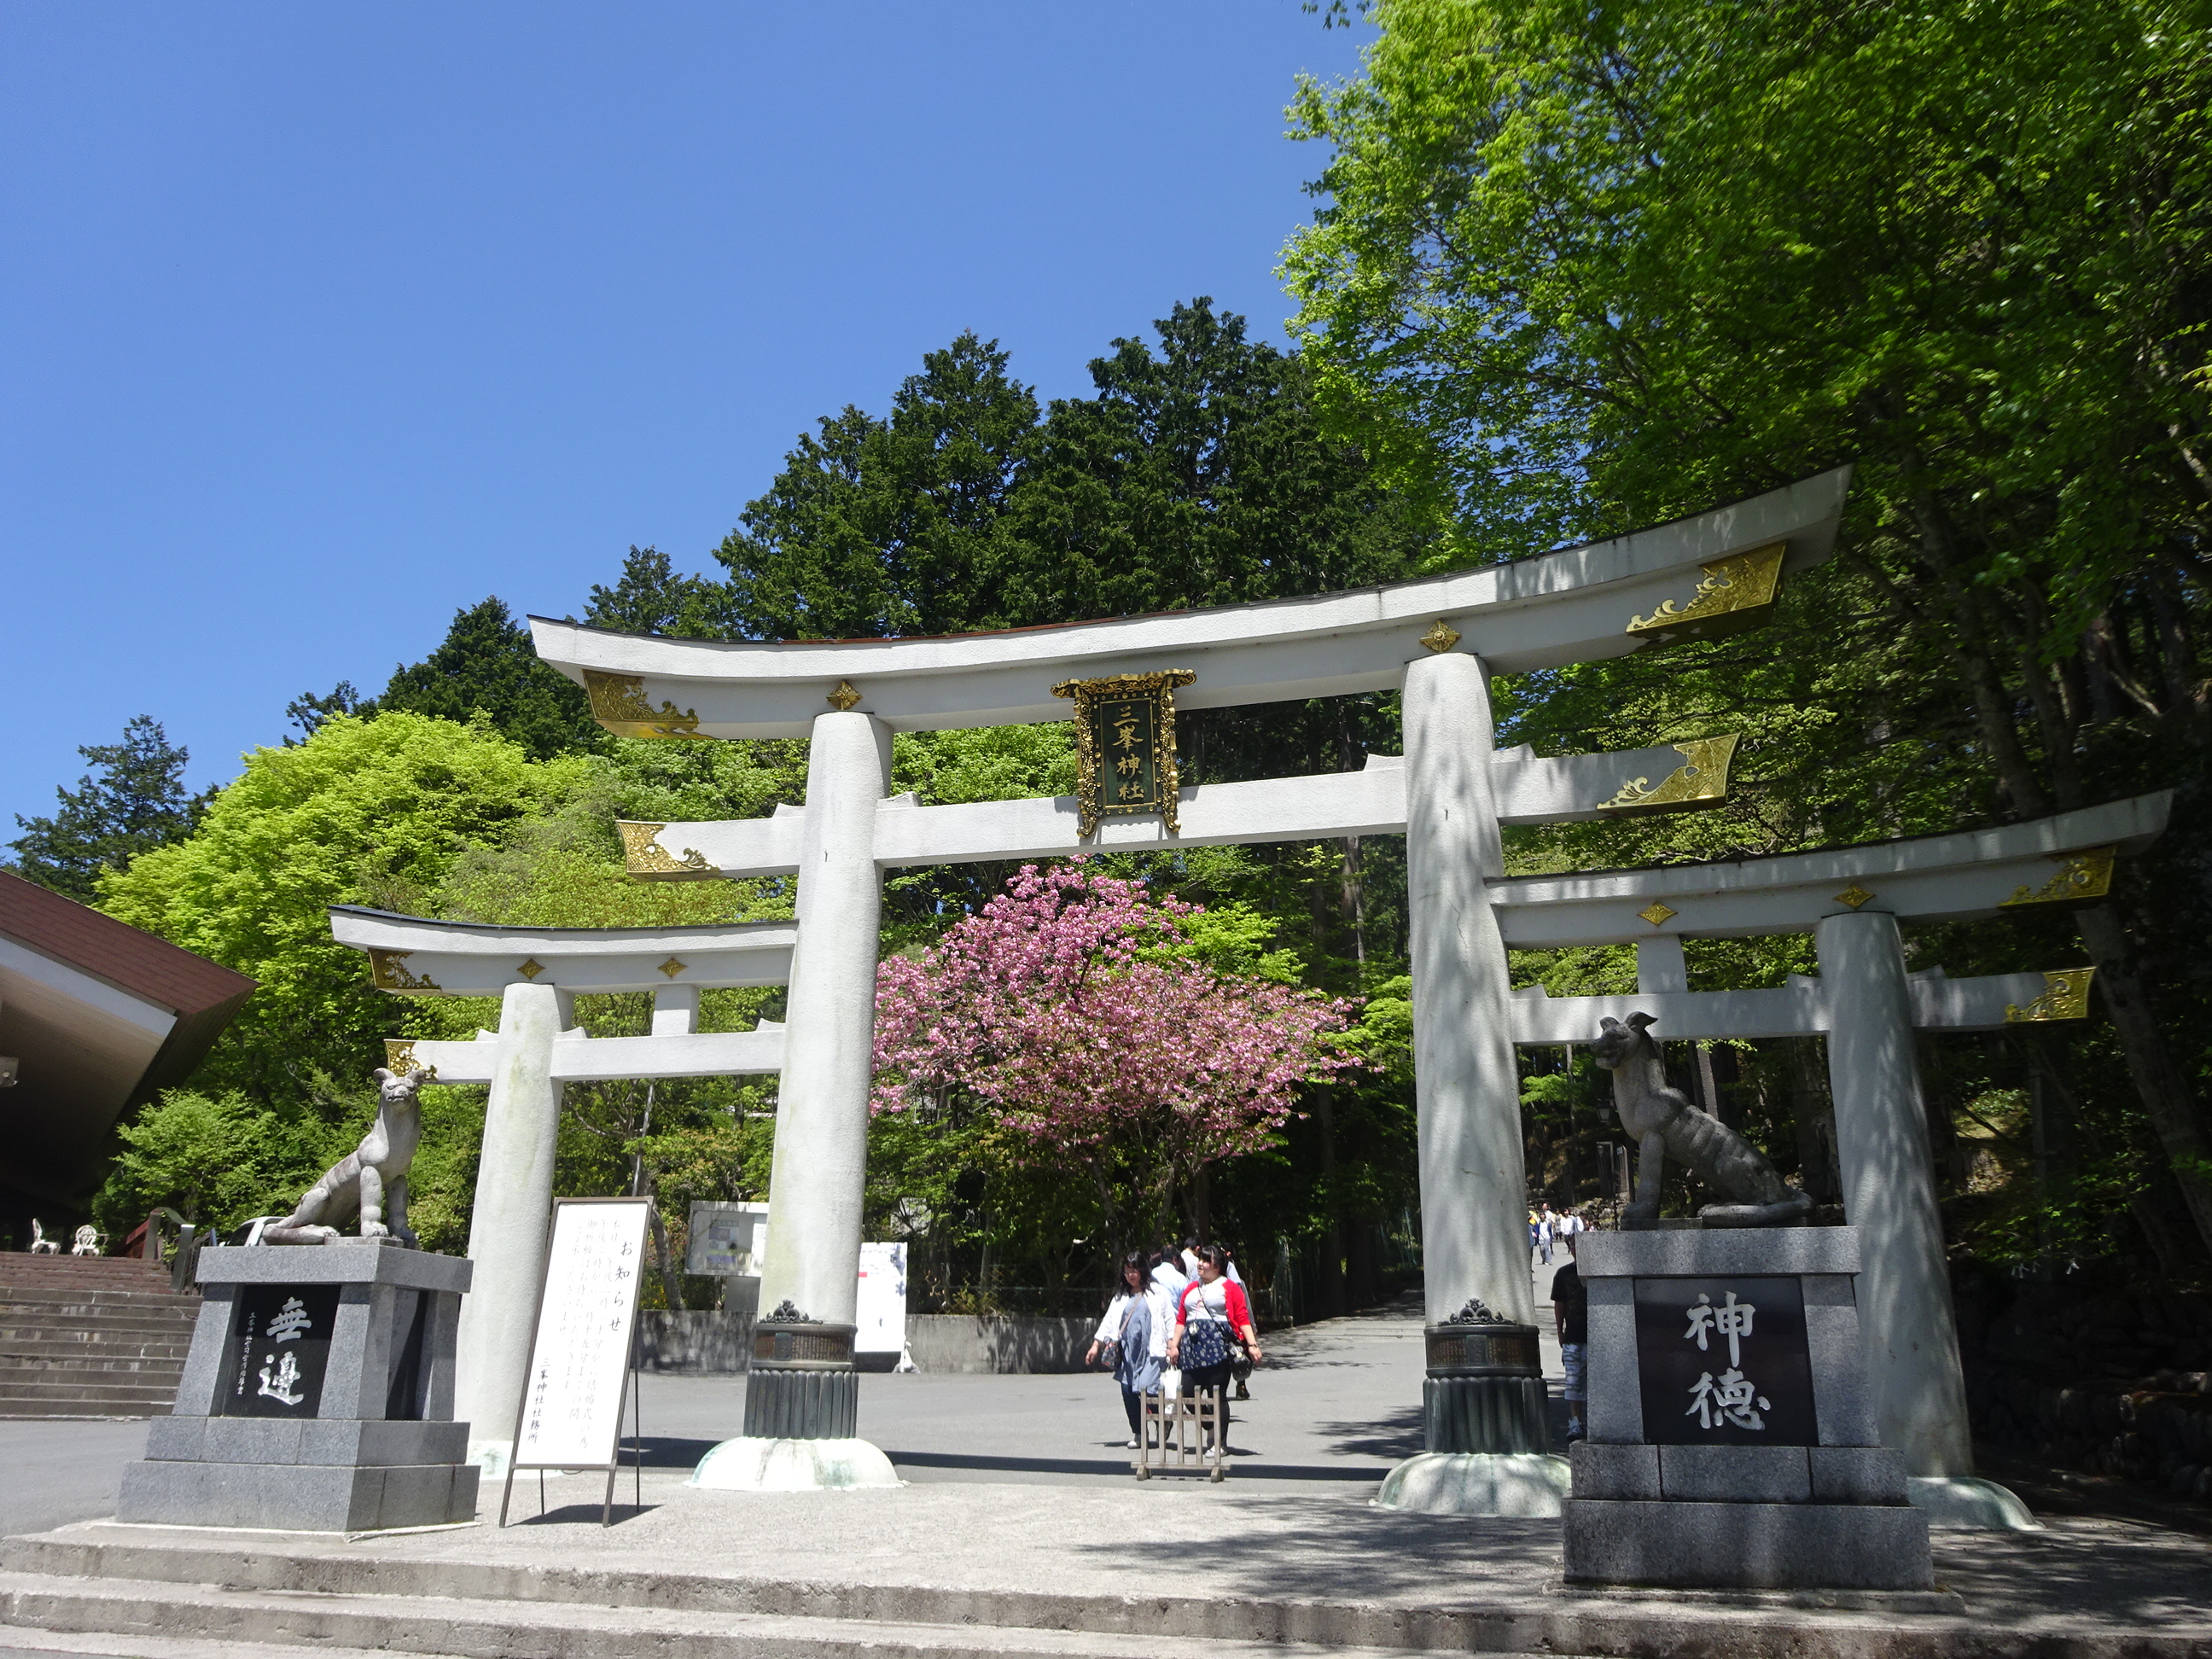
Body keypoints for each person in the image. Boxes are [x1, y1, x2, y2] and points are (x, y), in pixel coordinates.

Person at [1168, 1245, 1262, 1449]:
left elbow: (1242, 1318)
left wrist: (1252, 1345)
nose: (1200, 1264)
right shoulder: (1191, 1288)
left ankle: (1219, 1443)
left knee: (1216, 1395)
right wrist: (1174, 1346)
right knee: (1186, 1393)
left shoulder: (1229, 1287)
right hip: (1192, 1350)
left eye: (1206, 1261)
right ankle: (1210, 1424)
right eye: (1200, 1259)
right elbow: (1181, 1319)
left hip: (1217, 1348)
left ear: (1217, 1266)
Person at [1086, 1251, 1167, 1449]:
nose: (1131, 1275)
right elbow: (1108, 1321)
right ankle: (1139, 1433)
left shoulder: (1157, 1292)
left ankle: (1162, 1421)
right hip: (1127, 1352)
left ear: (1142, 1270)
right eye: (1127, 1271)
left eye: (1135, 1270)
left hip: (1151, 1352)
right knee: (1128, 1392)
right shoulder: (1121, 1296)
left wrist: (1173, 1344)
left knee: (1148, 1388)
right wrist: (1096, 1345)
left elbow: (1169, 1318)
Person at [1551, 1231, 1586, 1442]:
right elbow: (1559, 1304)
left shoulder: (1599, 1272)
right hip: (1573, 1336)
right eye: (1573, 1246)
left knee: (1597, 1382)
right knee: (1574, 1382)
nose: (1576, 1250)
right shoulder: (1564, 1274)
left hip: (1598, 1337)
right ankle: (1575, 1422)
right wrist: (1559, 1331)